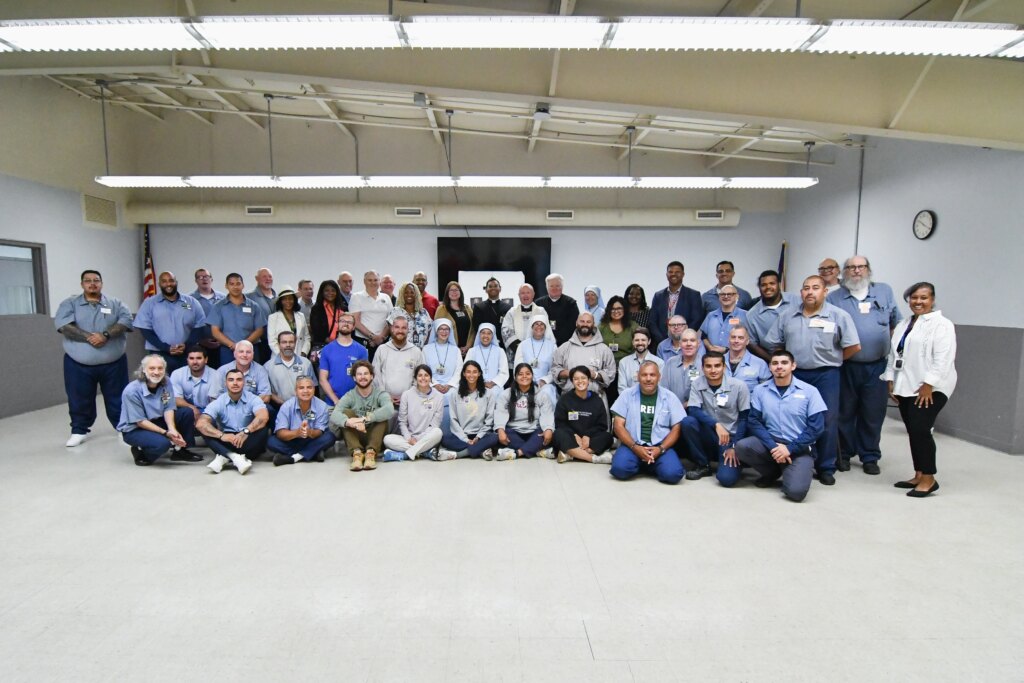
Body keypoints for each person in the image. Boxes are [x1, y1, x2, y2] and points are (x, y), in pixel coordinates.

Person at [763, 275, 861, 486]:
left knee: (826, 419)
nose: (810, 292)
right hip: (795, 375)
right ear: (801, 292)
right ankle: (800, 458)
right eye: (806, 288)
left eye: (815, 288)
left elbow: (853, 346)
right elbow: (773, 343)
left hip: (826, 374)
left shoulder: (838, 316)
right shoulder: (788, 316)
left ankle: (826, 466)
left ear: (825, 291)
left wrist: (833, 360)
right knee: (795, 418)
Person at [828, 256, 902, 474]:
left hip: (877, 365)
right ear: (844, 272)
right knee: (845, 412)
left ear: (868, 269)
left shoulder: (884, 291)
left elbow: (895, 324)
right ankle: (844, 454)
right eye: (851, 267)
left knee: (873, 412)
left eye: (860, 267)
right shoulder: (835, 298)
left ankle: (870, 455)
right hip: (846, 365)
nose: (856, 271)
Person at [722, 349, 826, 502]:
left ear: (793, 366)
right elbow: (754, 421)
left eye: (784, 363)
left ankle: (791, 470)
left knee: (796, 493)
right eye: (775, 363)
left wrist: (789, 449)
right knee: (743, 446)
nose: (779, 366)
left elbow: (816, 428)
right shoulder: (760, 390)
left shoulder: (810, 392)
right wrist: (773, 446)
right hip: (771, 443)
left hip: (799, 447)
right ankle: (772, 473)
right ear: (770, 367)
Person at [884, 282, 957, 498]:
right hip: (906, 384)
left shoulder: (942, 325)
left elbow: (943, 359)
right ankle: (919, 474)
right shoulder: (905, 323)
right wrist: (891, 379)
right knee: (913, 430)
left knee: (920, 430)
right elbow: (893, 354)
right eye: (914, 298)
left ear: (932, 299)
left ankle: (929, 479)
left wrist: (928, 385)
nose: (918, 302)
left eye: (924, 298)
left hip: (931, 387)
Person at [55, 269, 133, 447]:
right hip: (78, 364)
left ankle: (123, 428)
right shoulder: (70, 303)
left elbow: (126, 321)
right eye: (88, 280)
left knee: (119, 397)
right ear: (82, 284)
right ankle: (79, 430)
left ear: (101, 283)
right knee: (79, 398)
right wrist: (89, 337)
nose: (92, 283)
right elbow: (63, 325)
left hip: (114, 363)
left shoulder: (115, 303)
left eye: (96, 280)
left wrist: (105, 335)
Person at [609, 361, 686, 484]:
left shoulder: (670, 397)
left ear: (659, 377)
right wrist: (635, 447)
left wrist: (660, 449)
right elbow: (618, 426)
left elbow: (677, 428)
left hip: (659, 446)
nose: (648, 379)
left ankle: (647, 464)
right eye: (644, 375)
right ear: (638, 376)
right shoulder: (626, 395)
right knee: (619, 470)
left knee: (673, 475)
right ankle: (645, 464)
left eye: (652, 375)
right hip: (632, 445)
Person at [117, 354, 200, 466]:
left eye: (160, 368)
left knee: (186, 412)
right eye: (152, 368)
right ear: (143, 370)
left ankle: (180, 450)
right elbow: (140, 421)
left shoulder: (166, 381)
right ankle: (141, 452)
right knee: (163, 444)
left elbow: (168, 407)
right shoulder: (131, 391)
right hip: (135, 428)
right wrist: (166, 433)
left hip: (157, 419)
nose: (156, 372)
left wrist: (172, 429)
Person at [680, 351, 750, 480]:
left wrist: (735, 446)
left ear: (724, 367)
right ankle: (703, 465)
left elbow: (744, 419)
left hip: (730, 438)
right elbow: (693, 410)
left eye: (717, 366)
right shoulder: (697, 383)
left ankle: (732, 461)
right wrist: (716, 425)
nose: (713, 370)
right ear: (703, 368)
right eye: (708, 366)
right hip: (710, 434)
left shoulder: (739, 386)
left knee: (726, 479)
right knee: (688, 422)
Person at [197, 368, 270, 475]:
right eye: (231, 380)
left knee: (263, 427)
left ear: (244, 382)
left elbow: (263, 416)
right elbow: (200, 423)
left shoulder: (253, 398)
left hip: (248, 439)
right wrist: (222, 436)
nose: (235, 383)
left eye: (239, 380)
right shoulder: (219, 401)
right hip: (228, 440)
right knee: (205, 428)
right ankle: (235, 457)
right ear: (225, 383)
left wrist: (246, 431)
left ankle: (224, 456)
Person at [133, 271, 205, 372]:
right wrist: (165, 347)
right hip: (159, 354)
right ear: (159, 284)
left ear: (176, 282)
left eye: (171, 280)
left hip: (187, 353)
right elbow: (145, 330)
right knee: (161, 385)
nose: (168, 284)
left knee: (186, 384)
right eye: (164, 281)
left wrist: (187, 345)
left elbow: (199, 326)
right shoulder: (149, 304)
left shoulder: (191, 302)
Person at [329, 360, 394, 472]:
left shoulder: (380, 394)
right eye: (359, 374)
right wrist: (350, 422)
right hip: (357, 436)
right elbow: (334, 414)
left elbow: (389, 409)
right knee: (346, 413)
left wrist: (365, 419)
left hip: (376, 438)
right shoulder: (350, 395)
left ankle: (370, 454)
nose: (362, 377)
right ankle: (357, 454)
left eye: (366, 374)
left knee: (381, 414)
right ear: (354, 378)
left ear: (372, 376)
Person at [268, 376, 336, 466]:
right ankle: (313, 453)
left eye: (309, 387)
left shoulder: (322, 406)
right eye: (301, 388)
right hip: (291, 440)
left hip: (312, 440)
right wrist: (297, 433)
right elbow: (280, 433)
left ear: (314, 390)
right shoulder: (286, 406)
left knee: (330, 437)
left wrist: (309, 432)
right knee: (271, 441)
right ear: (296, 391)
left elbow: (319, 432)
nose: (305, 391)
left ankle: (293, 458)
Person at [382, 365, 445, 461]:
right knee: (387, 439)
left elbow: (435, 424)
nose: (423, 378)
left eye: (426, 375)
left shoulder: (439, 397)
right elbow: (402, 422)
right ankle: (425, 452)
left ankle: (405, 455)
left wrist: (419, 439)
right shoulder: (407, 395)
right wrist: (408, 438)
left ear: (431, 378)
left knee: (438, 432)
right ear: (415, 378)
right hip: (409, 439)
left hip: (428, 438)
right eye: (420, 375)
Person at [439, 361, 499, 460]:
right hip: (461, 436)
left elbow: (489, 420)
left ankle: (459, 454)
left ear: (479, 373)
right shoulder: (455, 394)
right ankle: (480, 451)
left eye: (475, 372)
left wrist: (478, 437)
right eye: (468, 372)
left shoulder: (489, 393)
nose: (471, 375)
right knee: (444, 439)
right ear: (464, 374)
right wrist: (465, 439)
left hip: (481, 435)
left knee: (494, 438)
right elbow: (453, 420)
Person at [553, 365, 614, 464]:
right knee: (558, 434)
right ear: (572, 381)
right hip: (571, 437)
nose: (580, 381)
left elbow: (602, 425)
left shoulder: (597, 400)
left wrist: (587, 436)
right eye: (576, 379)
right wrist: (574, 435)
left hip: (590, 438)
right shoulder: (565, 399)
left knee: (607, 437)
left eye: (583, 378)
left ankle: (572, 454)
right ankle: (592, 458)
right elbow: (560, 423)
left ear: (589, 380)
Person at [494, 363, 555, 460]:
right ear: (515, 377)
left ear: (532, 376)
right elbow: (500, 414)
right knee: (500, 434)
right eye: (520, 374)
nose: (524, 377)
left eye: (527, 374)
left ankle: (516, 453)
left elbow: (547, 414)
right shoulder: (506, 394)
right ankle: (537, 451)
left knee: (546, 434)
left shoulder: (541, 395)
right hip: (514, 431)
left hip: (534, 431)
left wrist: (548, 429)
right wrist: (500, 430)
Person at [552, 312, 616, 402]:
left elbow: (611, 373)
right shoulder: (564, 348)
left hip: (596, 399)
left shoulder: (604, 349)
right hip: (569, 399)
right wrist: (569, 373)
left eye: (588, 322)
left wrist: (595, 375)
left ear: (593, 324)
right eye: (582, 321)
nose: (585, 324)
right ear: (576, 323)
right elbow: (555, 370)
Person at [207, 272, 267, 367]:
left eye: (238, 283)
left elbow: (259, 329)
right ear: (226, 286)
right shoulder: (218, 306)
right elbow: (215, 331)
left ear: (243, 285)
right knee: (228, 377)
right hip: (228, 350)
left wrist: (244, 345)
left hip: (250, 348)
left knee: (252, 377)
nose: (235, 287)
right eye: (232, 284)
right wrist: (233, 345)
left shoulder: (254, 306)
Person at [746, 270, 799, 361]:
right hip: (772, 361)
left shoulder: (796, 300)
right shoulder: (752, 315)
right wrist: (773, 360)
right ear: (759, 288)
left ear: (779, 284)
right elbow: (752, 344)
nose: (768, 287)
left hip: (801, 359)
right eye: (763, 285)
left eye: (772, 283)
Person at [649, 260, 705, 348]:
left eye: (677, 272)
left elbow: (696, 320)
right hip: (661, 343)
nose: (673, 274)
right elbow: (652, 321)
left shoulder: (693, 295)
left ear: (683, 274)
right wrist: (662, 341)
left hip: (685, 344)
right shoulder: (658, 296)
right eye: (670, 272)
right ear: (666, 274)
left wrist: (684, 338)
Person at [372, 316, 423, 410]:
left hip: (409, 403)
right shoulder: (382, 349)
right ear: (392, 329)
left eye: (404, 328)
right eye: (397, 327)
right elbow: (376, 376)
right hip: (384, 403)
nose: (400, 330)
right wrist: (385, 395)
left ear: (408, 330)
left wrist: (408, 396)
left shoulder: (416, 351)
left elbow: (420, 377)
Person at [317, 312, 368, 406]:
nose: (345, 323)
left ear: (353, 327)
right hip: (332, 403)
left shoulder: (361, 350)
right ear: (337, 324)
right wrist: (336, 400)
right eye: (342, 321)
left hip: (356, 403)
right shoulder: (327, 350)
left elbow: (365, 378)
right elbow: (322, 379)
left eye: (349, 322)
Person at [208, 340, 272, 406]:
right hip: (226, 408)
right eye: (241, 352)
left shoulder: (260, 370)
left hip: (252, 408)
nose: (245, 355)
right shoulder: (222, 371)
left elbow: (266, 397)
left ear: (253, 354)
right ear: (234, 354)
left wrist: (245, 408)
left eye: (248, 352)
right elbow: (214, 397)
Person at [264, 331, 317, 409]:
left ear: (295, 344)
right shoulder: (268, 366)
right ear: (278, 345)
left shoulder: (306, 363)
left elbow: (313, 387)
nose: (288, 345)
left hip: (304, 406)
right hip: (279, 408)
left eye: (291, 342)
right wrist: (284, 405)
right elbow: (268, 392)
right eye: (284, 342)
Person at [422, 318, 463, 412]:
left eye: (446, 329)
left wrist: (449, 385)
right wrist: (435, 384)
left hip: (452, 387)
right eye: (441, 329)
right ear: (436, 331)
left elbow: (459, 370)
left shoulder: (456, 350)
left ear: (450, 331)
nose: (444, 332)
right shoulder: (426, 349)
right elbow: (424, 370)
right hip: (431, 386)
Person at [513, 316, 557, 404]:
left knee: (547, 392)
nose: (539, 327)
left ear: (546, 328)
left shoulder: (552, 346)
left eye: (542, 325)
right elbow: (517, 367)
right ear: (532, 327)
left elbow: (555, 369)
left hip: (545, 384)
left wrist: (544, 380)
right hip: (525, 382)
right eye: (536, 324)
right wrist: (527, 380)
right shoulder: (522, 345)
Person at [350, 270, 392, 360]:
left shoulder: (386, 297)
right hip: (363, 342)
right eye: (370, 280)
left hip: (383, 342)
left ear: (379, 281)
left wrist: (381, 338)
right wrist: (373, 337)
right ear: (364, 281)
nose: (373, 283)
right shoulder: (356, 297)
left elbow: (390, 320)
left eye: (375, 280)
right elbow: (356, 322)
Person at [501, 283, 551, 359]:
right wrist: (519, 347)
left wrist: (532, 347)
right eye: (522, 293)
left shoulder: (541, 311)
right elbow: (506, 330)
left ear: (533, 294)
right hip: (515, 352)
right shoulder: (512, 312)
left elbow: (546, 329)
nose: (525, 295)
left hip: (537, 351)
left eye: (528, 292)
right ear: (519, 295)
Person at [171, 345, 215, 424]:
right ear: (187, 360)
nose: (195, 362)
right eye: (191, 358)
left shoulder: (215, 375)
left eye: (199, 358)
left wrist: (204, 416)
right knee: (182, 413)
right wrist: (192, 408)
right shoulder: (177, 374)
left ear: (206, 360)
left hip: (209, 411)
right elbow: (176, 399)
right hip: (187, 411)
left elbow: (215, 403)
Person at [190, 268, 225, 368]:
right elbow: (186, 320)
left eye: (206, 276)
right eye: (200, 277)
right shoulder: (188, 301)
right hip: (199, 345)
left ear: (211, 279)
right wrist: (199, 340)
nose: (203, 279)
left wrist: (222, 339)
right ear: (196, 281)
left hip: (222, 344)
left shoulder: (223, 298)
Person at [699, 284, 749, 353]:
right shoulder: (711, 315)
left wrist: (726, 350)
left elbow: (749, 340)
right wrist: (710, 347)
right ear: (719, 297)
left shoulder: (745, 315)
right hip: (712, 357)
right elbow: (703, 336)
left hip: (735, 357)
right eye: (722, 294)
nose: (726, 296)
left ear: (737, 296)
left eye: (729, 294)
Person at [661, 328, 704, 407]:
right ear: (680, 344)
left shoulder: (704, 364)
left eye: (692, 340)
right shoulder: (670, 362)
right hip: (671, 410)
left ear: (698, 344)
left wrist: (685, 406)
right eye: (684, 341)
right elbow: (663, 389)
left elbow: (705, 395)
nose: (688, 344)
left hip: (696, 412)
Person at [536, 273, 580, 346]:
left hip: (565, 344)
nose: (554, 289)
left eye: (557, 286)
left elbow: (573, 326)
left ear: (562, 287)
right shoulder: (538, 303)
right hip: (542, 344)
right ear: (547, 287)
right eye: (551, 286)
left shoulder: (571, 303)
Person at [723, 325, 771, 392]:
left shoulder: (760, 363)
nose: (736, 341)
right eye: (733, 337)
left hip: (749, 401)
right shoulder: (718, 361)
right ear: (728, 340)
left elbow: (766, 390)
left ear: (747, 341)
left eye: (741, 338)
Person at [598, 295, 637, 378]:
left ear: (625, 310)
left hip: (627, 370)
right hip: (605, 370)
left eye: (619, 308)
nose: (616, 311)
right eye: (613, 308)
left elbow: (637, 348)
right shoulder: (602, 327)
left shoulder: (633, 327)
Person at [464, 322, 509, 394]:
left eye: (489, 333)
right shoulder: (472, 351)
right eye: (483, 333)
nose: (486, 336)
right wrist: (479, 383)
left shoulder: (500, 351)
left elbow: (504, 373)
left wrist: (493, 383)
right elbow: (466, 371)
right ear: (479, 334)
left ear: (493, 335)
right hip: (475, 384)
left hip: (495, 386)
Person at [267, 286, 310, 358]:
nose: (288, 301)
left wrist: (304, 353)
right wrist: (284, 356)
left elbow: (307, 337)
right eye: (284, 299)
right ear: (280, 301)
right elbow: (272, 341)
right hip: (280, 357)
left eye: (290, 298)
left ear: (294, 300)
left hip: (300, 356)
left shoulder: (301, 316)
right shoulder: (273, 317)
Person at [386, 281, 432, 349]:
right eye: (406, 292)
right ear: (402, 294)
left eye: (412, 292)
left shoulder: (424, 312)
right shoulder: (395, 311)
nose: (409, 295)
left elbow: (430, 331)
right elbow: (393, 333)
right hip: (400, 350)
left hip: (420, 352)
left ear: (416, 294)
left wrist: (424, 348)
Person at [617, 327, 664, 394]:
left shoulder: (659, 363)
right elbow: (622, 389)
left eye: (643, 340)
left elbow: (660, 387)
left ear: (649, 341)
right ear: (632, 342)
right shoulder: (624, 362)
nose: (640, 343)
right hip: (630, 402)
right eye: (637, 340)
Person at [308, 279, 344, 363]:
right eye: (326, 290)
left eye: (333, 290)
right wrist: (333, 343)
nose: (330, 293)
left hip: (340, 348)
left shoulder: (342, 308)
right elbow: (316, 329)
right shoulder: (317, 309)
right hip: (322, 347)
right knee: (322, 374)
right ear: (322, 292)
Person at [470, 277, 512, 349]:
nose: (493, 288)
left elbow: (509, 328)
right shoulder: (479, 307)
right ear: (486, 289)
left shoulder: (507, 307)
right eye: (490, 286)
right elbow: (477, 328)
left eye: (496, 286)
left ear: (500, 288)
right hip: (484, 344)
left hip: (503, 345)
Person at [434, 280, 473, 354]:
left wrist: (468, 346)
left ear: (460, 292)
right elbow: (437, 329)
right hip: (449, 350)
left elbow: (473, 330)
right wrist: (454, 348)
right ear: (447, 293)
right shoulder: (441, 309)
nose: (454, 292)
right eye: (451, 290)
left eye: (456, 290)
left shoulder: (468, 309)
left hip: (467, 351)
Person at [247, 267, 277, 363]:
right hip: (260, 342)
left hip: (277, 343)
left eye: (270, 276)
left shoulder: (279, 298)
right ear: (257, 278)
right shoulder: (249, 298)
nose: (268, 279)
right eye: (264, 276)